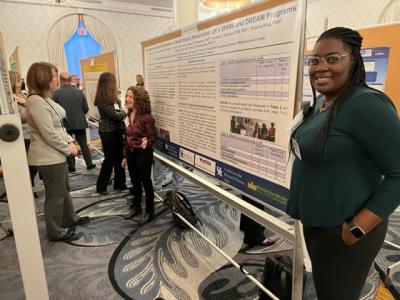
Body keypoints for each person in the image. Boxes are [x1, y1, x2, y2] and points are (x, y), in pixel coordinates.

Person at [287, 27, 400, 300]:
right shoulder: (323, 104)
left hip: (346, 229)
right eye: (315, 60)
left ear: (354, 60)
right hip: (318, 222)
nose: (320, 67)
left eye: (332, 59)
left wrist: (357, 228)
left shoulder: (366, 104)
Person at [26, 62, 89, 241]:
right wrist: (68, 148)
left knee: (63, 190)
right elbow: (49, 134)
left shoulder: (44, 98)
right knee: (55, 195)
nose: (57, 80)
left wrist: (70, 141)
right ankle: (55, 231)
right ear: (43, 79)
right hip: (48, 157)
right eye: (53, 77)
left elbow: (59, 125)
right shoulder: (36, 101)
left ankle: (70, 219)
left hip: (55, 154)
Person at [122, 86, 156, 221]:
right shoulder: (128, 115)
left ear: (139, 99)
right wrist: (125, 156)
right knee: (135, 182)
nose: (126, 99)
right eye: (126, 96)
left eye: (130, 96)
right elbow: (126, 138)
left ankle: (150, 211)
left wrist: (147, 141)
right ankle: (136, 206)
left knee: (146, 182)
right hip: (131, 154)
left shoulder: (147, 118)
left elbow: (153, 137)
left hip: (143, 155)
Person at [53, 71, 96, 172]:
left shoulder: (56, 94)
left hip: (65, 124)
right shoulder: (79, 92)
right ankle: (89, 164)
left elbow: (54, 111)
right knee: (83, 144)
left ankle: (72, 167)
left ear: (60, 80)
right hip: (79, 122)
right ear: (70, 80)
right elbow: (86, 109)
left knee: (68, 144)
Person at [95, 72, 127, 195]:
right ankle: (101, 186)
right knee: (109, 159)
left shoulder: (110, 97)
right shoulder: (102, 99)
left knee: (119, 157)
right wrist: (125, 112)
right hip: (108, 132)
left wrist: (121, 110)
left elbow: (117, 112)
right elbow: (115, 115)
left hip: (115, 131)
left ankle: (120, 184)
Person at [8, 70, 38, 189]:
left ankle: (29, 186)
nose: (21, 82)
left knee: (35, 164)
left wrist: (26, 103)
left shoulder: (24, 95)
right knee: (28, 165)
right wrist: (29, 107)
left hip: (33, 133)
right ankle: (27, 187)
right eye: (18, 80)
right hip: (23, 136)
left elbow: (36, 108)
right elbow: (22, 116)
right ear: (13, 81)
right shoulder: (10, 99)